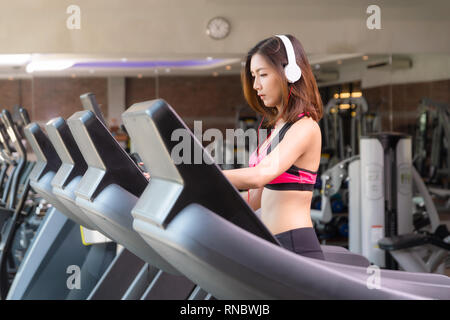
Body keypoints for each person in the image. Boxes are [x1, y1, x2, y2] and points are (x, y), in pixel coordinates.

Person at [222, 34, 325, 260]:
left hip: (294, 245)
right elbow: (255, 199)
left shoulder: (305, 127)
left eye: (263, 75)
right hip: (271, 244)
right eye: (253, 76)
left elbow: (261, 174)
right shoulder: (278, 128)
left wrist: (201, 174)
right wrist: (195, 192)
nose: (256, 85)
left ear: (290, 73)